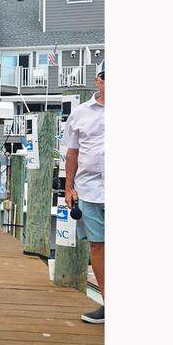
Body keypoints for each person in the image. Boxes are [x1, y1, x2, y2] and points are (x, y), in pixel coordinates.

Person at [64, 60, 105, 324]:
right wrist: (69, 186)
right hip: (90, 190)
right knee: (97, 246)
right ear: (98, 80)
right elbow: (73, 151)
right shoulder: (80, 113)